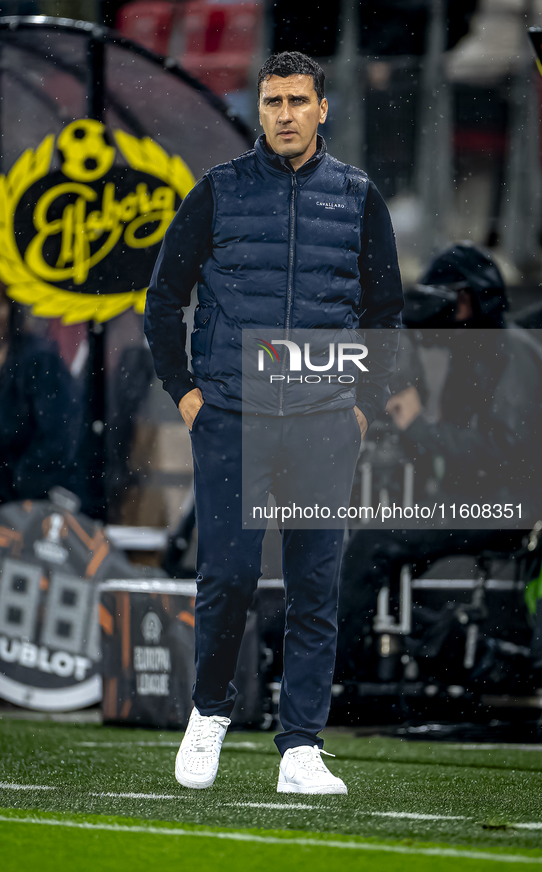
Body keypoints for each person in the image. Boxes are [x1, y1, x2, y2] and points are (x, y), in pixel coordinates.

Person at [145, 51, 403, 794]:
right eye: (271, 102)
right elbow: (164, 298)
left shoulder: (358, 196)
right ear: (258, 111)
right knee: (225, 575)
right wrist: (185, 393)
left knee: (313, 583)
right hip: (229, 414)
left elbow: (385, 313)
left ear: (323, 109)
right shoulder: (218, 191)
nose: (283, 114)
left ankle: (300, 746)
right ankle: (209, 713)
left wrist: (361, 406)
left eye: (296, 100)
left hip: (325, 418)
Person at [337, 243, 542, 681]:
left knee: (375, 544)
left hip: (506, 507)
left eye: (451, 298)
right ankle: (391, 669)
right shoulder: (471, 355)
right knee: (375, 540)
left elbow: (506, 453)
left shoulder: (513, 351)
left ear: (472, 298)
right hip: (479, 500)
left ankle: (338, 682)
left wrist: (417, 427)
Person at [0, 265, 80, 510]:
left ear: (11, 311)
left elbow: (56, 447)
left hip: (50, 500)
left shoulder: (40, 361)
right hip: (5, 497)